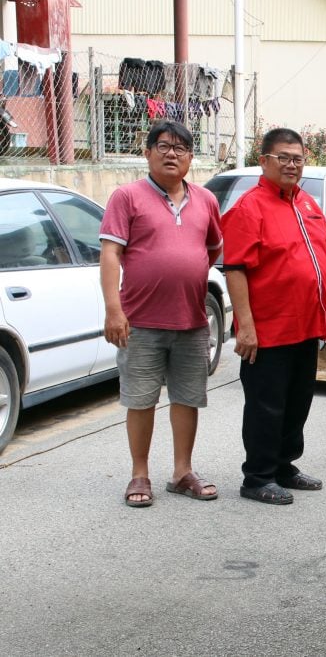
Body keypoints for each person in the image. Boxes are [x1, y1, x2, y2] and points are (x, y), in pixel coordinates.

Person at [100, 120, 223, 508]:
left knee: (188, 399)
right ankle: (140, 473)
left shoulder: (206, 200)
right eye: (163, 146)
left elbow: (213, 250)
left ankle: (182, 472)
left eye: (181, 148)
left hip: (191, 321)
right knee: (141, 400)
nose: (172, 154)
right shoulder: (127, 197)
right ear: (147, 152)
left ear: (190, 157)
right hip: (140, 322)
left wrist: (184, 267)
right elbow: (109, 254)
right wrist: (113, 310)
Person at [221, 128, 326, 505]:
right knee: (266, 404)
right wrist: (246, 328)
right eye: (284, 157)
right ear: (265, 160)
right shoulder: (249, 208)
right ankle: (257, 476)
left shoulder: (306, 204)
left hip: (306, 325)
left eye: (298, 158)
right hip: (269, 328)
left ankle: (284, 465)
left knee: (297, 400)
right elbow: (235, 269)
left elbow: (323, 262)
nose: (292, 165)